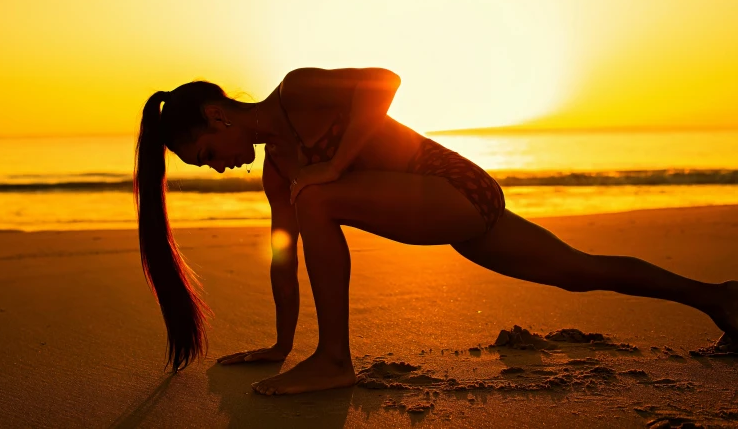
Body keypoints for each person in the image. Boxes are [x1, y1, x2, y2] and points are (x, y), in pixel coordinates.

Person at [133, 67, 737, 395]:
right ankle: (720, 299)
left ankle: (336, 359)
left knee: (316, 196)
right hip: (445, 214)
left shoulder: (296, 93)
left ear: (216, 115)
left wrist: (335, 165)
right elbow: (284, 256)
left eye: (206, 151)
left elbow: (384, 83)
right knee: (579, 272)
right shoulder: (281, 170)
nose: (216, 165)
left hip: (455, 186)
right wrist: (278, 343)